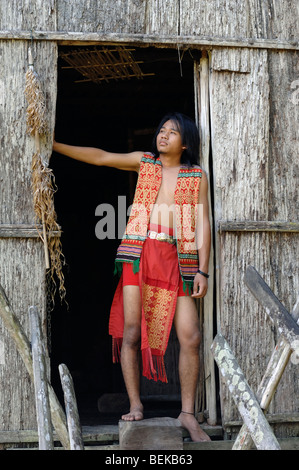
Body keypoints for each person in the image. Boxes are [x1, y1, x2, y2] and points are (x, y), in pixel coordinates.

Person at [53, 112, 211, 442]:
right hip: (138, 254)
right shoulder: (145, 162)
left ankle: (187, 414)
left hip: (179, 259)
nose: (164, 135)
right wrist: (53, 145)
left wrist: (202, 270)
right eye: (162, 130)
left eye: (173, 132)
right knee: (131, 331)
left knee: (191, 336)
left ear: (186, 144)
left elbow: (203, 223)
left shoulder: (196, 176)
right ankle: (136, 405)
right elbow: (100, 157)